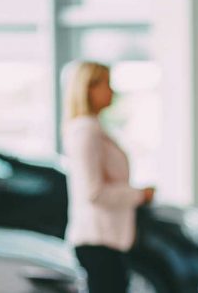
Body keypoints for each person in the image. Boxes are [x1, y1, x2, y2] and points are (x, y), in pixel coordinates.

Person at [62, 61, 155, 293]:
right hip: (97, 240)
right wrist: (139, 195)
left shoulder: (94, 128)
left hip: (108, 240)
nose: (112, 91)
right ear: (89, 88)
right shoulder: (85, 131)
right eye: (106, 84)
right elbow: (93, 192)